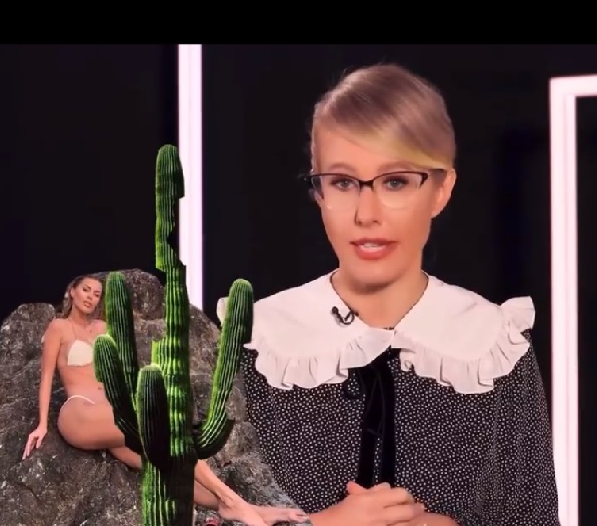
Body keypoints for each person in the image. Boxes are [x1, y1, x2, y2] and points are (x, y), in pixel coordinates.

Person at [227, 63, 561, 526]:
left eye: (395, 182)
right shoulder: (256, 343)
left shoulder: (494, 348)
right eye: (343, 183)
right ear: (318, 192)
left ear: (441, 189)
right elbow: (200, 510)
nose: (367, 214)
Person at [23, 274, 306, 526]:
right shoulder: (58, 327)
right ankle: (234, 501)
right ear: (72, 291)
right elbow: (46, 376)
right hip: (80, 412)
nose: (91, 297)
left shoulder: (103, 329)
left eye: (97, 294)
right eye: (86, 290)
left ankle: (248, 508)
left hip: (111, 414)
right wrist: (42, 425)